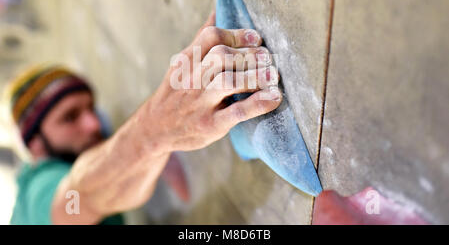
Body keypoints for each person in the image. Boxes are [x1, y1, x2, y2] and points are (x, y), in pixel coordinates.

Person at [7, 12, 282, 224]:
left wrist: (155, 149)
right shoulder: (36, 194)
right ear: (36, 145)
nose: (92, 124)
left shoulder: (86, 153)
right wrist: (155, 132)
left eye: (90, 108)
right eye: (69, 117)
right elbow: (82, 195)